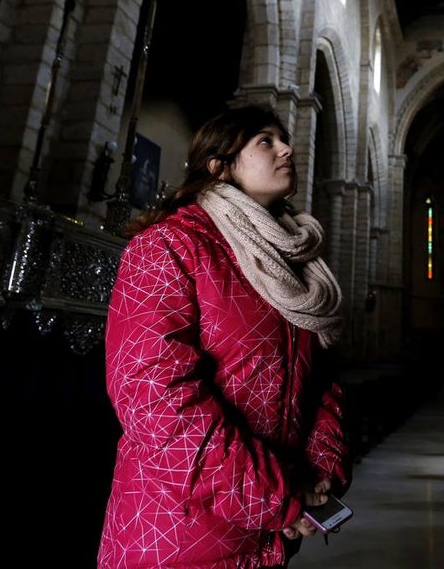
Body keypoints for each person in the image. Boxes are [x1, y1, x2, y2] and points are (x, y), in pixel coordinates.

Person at [98, 104, 351, 568]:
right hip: (178, 530)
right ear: (220, 166)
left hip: (271, 532)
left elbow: (321, 383)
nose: (286, 149)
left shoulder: (295, 268)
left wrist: (321, 473)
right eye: (265, 141)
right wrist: (277, 497)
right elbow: (154, 399)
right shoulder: (169, 246)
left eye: (283, 138)